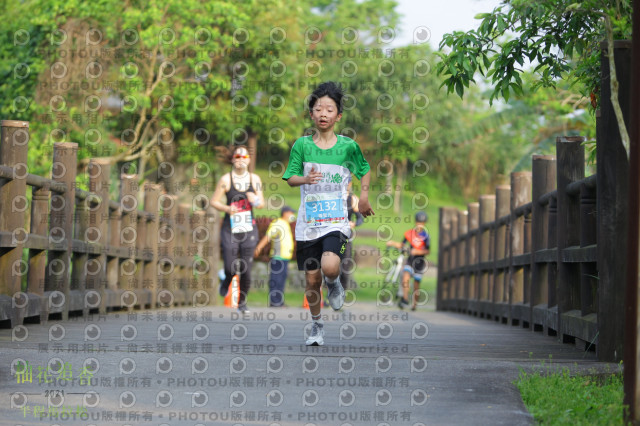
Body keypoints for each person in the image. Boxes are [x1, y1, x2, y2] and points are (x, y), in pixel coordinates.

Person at [283, 81, 374, 346]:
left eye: (329, 109)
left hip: (335, 221)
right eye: (318, 109)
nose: (323, 114)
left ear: (338, 116)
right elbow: (290, 177)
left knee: (330, 266)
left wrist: (364, 197)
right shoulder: (301, 145)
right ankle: (316, 325)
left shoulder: (348, 147)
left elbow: (365, 169)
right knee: (311, 281)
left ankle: (334, 283)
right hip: (308, 224)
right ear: (311, 113)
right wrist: (305, 180)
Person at [210, 145, 264, 313]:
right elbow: (214, 201)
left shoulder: (255, 180)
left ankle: (242, 302)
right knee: (230, 266)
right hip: (230, 228)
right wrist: (227, 209)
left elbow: (261, 203)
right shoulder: (226, 180)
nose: (241, 159)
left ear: (248, 160)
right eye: (237, 157)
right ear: (233, 160)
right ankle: (226, 280)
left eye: (244, 157)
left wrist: (255, 199)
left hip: (249, 228)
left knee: (246, 268)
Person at [385, 211, 430, 311]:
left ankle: (414, 305)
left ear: (424, 224)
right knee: (405, 276)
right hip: (410, 261)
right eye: (418, 222)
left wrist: (417, 251)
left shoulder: (426, 236)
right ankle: (405, 298)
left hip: (420, 263)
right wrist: (392, 243)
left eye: (422, 223)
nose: (419, 224)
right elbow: (402, 244)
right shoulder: (410, 233)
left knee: (416, 284)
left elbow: (427, 251)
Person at [254, 206, 296, 307]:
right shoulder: (278, 223)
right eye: (291, 213)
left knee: (281, 280)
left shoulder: (286, 224)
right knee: (276, 279)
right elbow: (268, 236)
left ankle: (279, 301)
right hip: (278, 257)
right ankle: (274, 301)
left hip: (285, 258)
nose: (293, 215)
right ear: (285, 213)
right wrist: (258, 248)